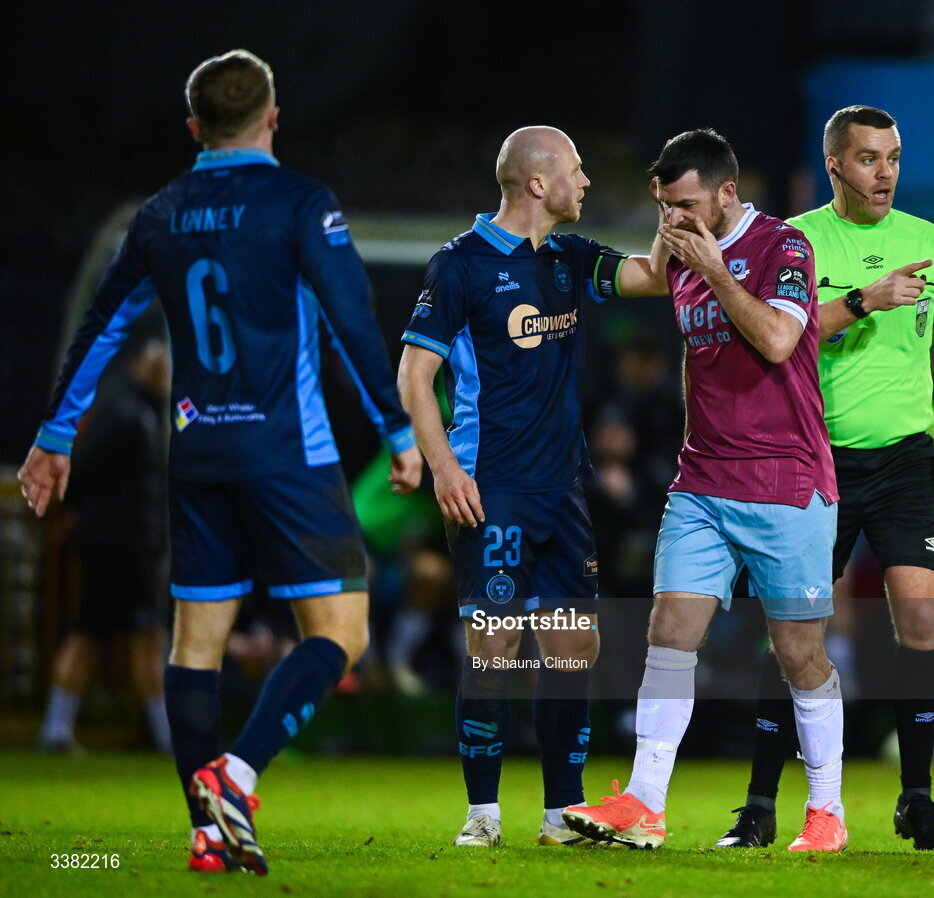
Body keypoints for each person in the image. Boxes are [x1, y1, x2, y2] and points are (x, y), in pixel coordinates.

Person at [18, 49, 422, 876]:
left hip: (197, 450)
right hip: (287, 452)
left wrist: (54, 436)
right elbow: (352, 319)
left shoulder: (161, 212)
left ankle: (206, 832)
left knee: (195, 644)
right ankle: (234, 778)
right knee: (340, 635)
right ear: (273, 116)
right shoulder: (302, 204)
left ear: (195, 128)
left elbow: (100, 327)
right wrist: (400, 431)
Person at [561, 129, 848, 852]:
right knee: (669, 632)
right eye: (664, 207)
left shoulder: (783, 248)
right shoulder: (684, 253)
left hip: (787, 481)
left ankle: (827, 811)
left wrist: (717, 271)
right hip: (704, 482)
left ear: (728, 192)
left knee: (798, 654)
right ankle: (645, 802)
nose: (675, 220)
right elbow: (676, 312)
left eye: (685, 204)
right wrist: (670, 246)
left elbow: (780, 342)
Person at [719, 105, 934, 852]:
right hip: (814, 458)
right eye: (869, 159)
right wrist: (863, 300)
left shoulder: (928, 243)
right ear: (835, 164)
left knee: (921, 619)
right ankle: (761, 804)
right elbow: (777, 338)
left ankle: (918, 799)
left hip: (904, 460)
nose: (886, 172)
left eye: (894, 157)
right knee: (798, 633)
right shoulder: (795, 240)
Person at [397, 126, 669, 848]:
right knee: (493, 656)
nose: (586, 182)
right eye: (577, 171)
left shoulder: (570, 259)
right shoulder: (460, 266)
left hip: (564, 495)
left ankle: (561, 815)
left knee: (570, 655)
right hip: (492, 492)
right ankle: (482, 814)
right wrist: (445, 468)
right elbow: (413, 377)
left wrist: (675, 220)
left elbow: (653, 277)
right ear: (538, 184)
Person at [36, 339, 172, 756]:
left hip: (127, 545)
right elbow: (84, 466)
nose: (165, 371)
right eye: (160, 361)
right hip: (116, 545)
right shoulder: (125, 411)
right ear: (141, 363)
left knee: (118, 635)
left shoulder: (139, 410)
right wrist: (75, 514)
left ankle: (61, 729)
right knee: (116, 634)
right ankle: (165, 737)